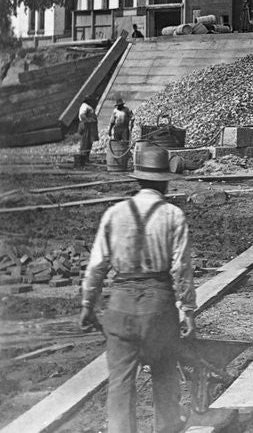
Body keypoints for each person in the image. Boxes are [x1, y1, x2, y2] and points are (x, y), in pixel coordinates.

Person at [79, 142, 196, 433]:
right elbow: (181, 269)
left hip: (120, 308)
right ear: (165, 181)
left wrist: (87, 304)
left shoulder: (113, 214)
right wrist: (189, 311)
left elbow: (96, 267)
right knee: (165, 376)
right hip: (159, 309)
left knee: (119, 383)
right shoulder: (173, 216)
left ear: (138, 177)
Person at [77, 100, 99, 168]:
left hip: (89, 127)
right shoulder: (84, 106)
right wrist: (88, 120)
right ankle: (82, 160)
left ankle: (86, 158)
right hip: (86, 126)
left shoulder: (89, 107)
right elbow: (82, 115)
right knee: (85, 142)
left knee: (89, 142)